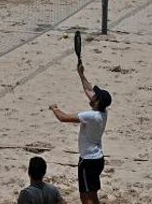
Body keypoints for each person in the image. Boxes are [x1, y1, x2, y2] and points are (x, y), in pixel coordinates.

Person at [50, 63, 112, 204]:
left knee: (85, 197)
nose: (92, 95)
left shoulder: (92, 116)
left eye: (95, 96)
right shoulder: (103, 112)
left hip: (88, 161)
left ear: (97, 101)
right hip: (98, 159)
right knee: (93, 194)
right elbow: (88, 90)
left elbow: (63, 118)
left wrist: (54, 108)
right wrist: (81, 74)